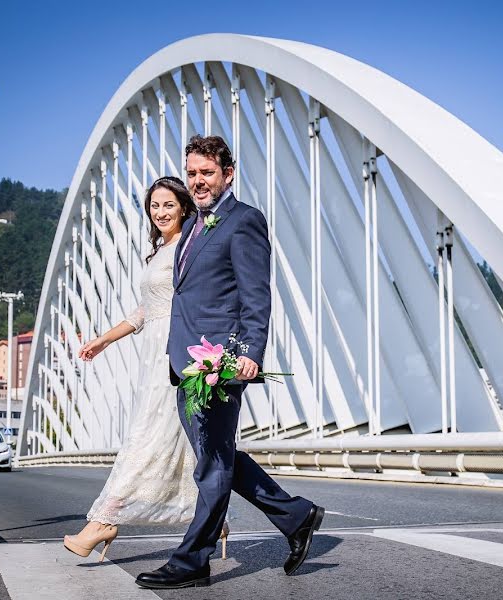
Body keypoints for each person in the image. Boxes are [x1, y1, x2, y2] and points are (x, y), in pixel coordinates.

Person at [135, 135, 325, 590]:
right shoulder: (193, 227)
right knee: (216, 456)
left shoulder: (243, 221)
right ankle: (297, 515)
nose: (198, 181)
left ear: (228, 175)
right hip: (185, 365)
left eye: (207, 173)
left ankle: (192, 560)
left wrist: (245, 355)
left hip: (219, 364)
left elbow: (256, 298)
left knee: (213, 462)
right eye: (193, 173)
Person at [62, 176, 230, 562]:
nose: (160, 212)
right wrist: (104, 340)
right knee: (176, 439)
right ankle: (213, 519)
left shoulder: (189, 246)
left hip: (177, 350)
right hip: (153, 352)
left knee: (151, 436)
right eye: (154, 206)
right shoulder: (159, 251)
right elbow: (145, 310)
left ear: (184, 206)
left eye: (168, 204)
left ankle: (105, 520)